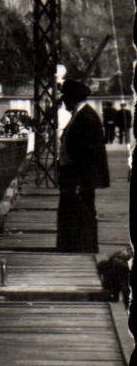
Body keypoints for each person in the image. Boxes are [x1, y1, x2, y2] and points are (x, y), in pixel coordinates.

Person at [57, 77, 110, 252]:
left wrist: (81, 179)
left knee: (82, 211)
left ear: (73, 98)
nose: (63, 101)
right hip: (73, 174)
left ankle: (82, 247)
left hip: (79, 175)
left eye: (65, 97)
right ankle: (73, 246)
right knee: (73, 211)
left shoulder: (86, 118)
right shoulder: (80, 115)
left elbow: (89, 154)